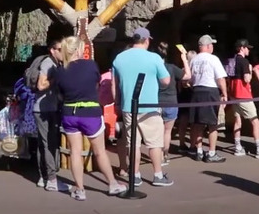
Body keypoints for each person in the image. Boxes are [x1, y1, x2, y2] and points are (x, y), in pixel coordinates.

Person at [53, 36, 127, 201]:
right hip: (90, 112)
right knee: (100, 151)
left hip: (69, 113)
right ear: (79, 49)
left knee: (75, 152)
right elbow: (96, 83)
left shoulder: (59, 70)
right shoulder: (90, 65)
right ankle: (112, 184)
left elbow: (59, 94)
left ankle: (80, 189)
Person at [112, 27, 174, 187]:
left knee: (133, 143)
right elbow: (166, 80)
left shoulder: (119, 58)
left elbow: (115, 85)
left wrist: (117, 103)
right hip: (149, 106)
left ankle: (135, 175)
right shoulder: (154, 58)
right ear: (147, 40)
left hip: (128, 106)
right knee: (154, 143)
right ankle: (158, 175)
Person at [33, 40, 69, 192]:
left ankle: (44, 177)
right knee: (49, 143)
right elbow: (41, 85)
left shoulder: (55, 64)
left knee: (44, 144)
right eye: (60, 49)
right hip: (44, 110)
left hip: (47, 108)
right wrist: (56, 79)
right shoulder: (48, 64)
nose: (63, 51)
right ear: (52, 50)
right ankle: (52, 179)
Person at [189, 34, 228, 163]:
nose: (212, 47)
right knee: (212, 124)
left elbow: (189, 79)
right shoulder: (213, 59)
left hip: (196, 91)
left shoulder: (194, 60)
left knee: (198, 123)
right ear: (208, 46)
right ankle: (211, 152)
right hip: (210, 90)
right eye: (211, 45)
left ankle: (199, 151)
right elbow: (220, 78)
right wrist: (224, 94)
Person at [229, 39, 259, 159]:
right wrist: (250, 70)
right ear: (241, 48)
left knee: (237, 120)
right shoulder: (244, 62)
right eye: (247, 48)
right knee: (255, 121)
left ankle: (238, 146)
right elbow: (247, 79)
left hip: (233, 93)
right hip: (243, 94)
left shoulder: (232, 61)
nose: (248, 50)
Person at [155, 42, 190, 165]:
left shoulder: (153, 68)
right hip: (171, 102)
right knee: (167, 132)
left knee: (157, 132)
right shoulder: (172, 67)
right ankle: (165, 155)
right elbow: (188, 76)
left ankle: (157, 156)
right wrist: (184, 60)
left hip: (156, 102)